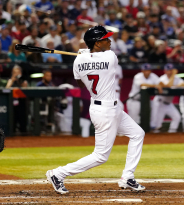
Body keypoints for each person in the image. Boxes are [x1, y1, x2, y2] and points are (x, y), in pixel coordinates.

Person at [46, 26, 146, 194]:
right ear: (97, 43)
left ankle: (127, 177)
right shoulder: (110, 56)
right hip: (105, 111)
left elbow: (81, 84)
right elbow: (99, 60)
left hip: (108, 108)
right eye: (105, 39)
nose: (109, 41)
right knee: (100, 156)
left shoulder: (78, 60)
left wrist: (85, 58)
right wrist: (88, 56)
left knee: (137, 134)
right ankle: (58, 174)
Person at [150, 64, 184, 133]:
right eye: (168, 70)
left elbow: (183, 84)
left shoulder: (176, 78)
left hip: (169, 104)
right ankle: (154, 140)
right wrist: (173, 76)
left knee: (177, 117)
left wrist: (174, 84)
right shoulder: (162, 78)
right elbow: (168, 86)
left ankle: (171, 133)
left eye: (171, 70)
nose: (170, 72)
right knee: (157, 125)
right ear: (165, 71)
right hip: (159, 103)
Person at [6, 65, 28, 133]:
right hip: (11, 103)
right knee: (13, 119)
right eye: (15, 72)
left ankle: (23, 131)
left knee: (22, 118)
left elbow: (26, 91)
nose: (17, 74)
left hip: (22, 103)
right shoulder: (10, 80)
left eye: (18, 72)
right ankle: (13, 131)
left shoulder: (23, 81)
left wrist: (21, 82)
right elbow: (6, 89)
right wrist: (12, 80)